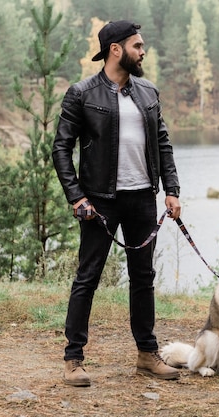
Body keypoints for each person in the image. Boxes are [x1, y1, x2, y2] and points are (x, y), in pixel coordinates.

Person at [52, 20, 181, 387]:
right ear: (115, 49)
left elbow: (164, 144)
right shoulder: (82, 93)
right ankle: (73, 359)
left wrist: (171, 190)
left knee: (144, 278)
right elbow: (61, 149)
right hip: (100, 203)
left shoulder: (148, 91)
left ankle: (146, 354)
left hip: (143, 197)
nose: (143, 52)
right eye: (137, 46)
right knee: (87, 278)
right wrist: (76, 196)